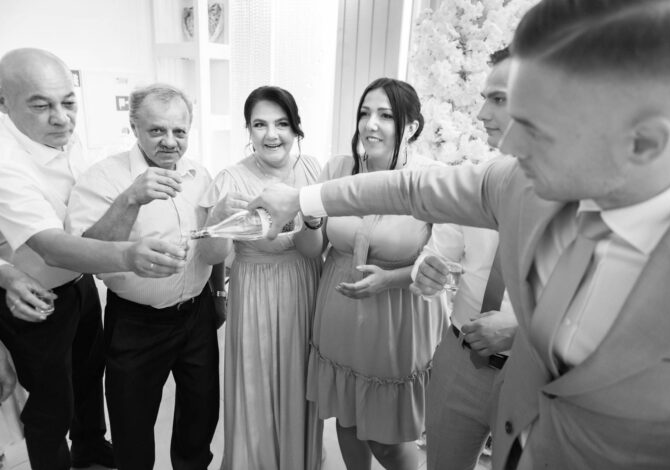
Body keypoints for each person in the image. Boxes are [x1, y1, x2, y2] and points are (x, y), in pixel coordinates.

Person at [249, 1, 670, 468]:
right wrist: (303, 200)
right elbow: (412, 188)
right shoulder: (517, 178)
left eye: (538, 128)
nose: (509, 143)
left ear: (645, 140)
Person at [0, 48, 184, 470]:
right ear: (4, 104)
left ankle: (91, 451)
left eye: (68, 102)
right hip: (37, 294)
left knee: (88, 378)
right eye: (41, 106)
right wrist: (128, 254)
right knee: (51, 402)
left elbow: (81, 216)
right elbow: (52, 245)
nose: (61, 118)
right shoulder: (6, 164)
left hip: (79, 284)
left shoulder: (64, 137)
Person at [66, 83, 223, 470]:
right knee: (131, 426)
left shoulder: (200, 174)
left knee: (200, 416)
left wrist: (218, 294)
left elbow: (214, 236)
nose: (170, 141)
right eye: (157, 130)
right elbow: (85, 253)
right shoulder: (104, 177)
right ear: (134, 126)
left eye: (179, 131)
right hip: (136, 323)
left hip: (197, 315)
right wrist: (131, 198)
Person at [293, 78, 446, 470]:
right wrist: (309, 220)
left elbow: (443, 263)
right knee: (347, 418)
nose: (370, 124)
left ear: (411, 127)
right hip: (339, 311)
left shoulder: (432, 179)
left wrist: (389, 279)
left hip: (397, 317)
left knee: (389, 439)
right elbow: (311, 249)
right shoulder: (338, 169)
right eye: (364, 113)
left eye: (385, 115)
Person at [199, 85, 323, 470]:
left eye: (282, 124)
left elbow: (314, 248)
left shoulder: (312, 170)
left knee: (300, 380)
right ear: (248, 130)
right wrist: (218, 219)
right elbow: (209, 256)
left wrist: (311, 220)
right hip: (255, 290)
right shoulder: (230, 179)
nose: (272, 134)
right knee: (257, 384)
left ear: (296, 127)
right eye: (260, 124)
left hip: (305, 285)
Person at [416, 46, 518, 470]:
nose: (480, 114)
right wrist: (425, 271)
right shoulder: (475, 181)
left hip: (531, 375)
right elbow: (435, 255)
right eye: (483, 98)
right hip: (458, 361)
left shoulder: (587, 200)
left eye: (498, 99)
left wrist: (520, 330)